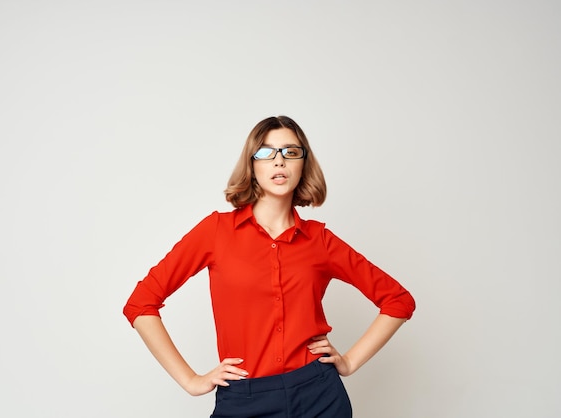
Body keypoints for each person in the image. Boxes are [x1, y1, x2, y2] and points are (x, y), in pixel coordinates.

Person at [123, 115, 415, 417]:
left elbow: (398, 301)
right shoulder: (215, 232)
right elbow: (141, 304)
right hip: (243, 398)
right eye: (265, 152)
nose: (279, 162)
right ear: (251, 165)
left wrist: (350, 362)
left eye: (290, 152)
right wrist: (190, 380)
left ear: (303, 165)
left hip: (318, 395)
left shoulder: (320, 241)